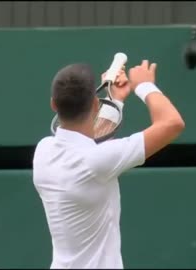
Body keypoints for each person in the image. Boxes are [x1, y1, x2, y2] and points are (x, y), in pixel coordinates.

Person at [32, 60, 185, 269]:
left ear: (53, 104)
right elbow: (172, 123)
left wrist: (115, 99)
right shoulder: (96, 160)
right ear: (95, 104)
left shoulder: (43, 150)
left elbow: (94, 145)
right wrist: (144, 85)